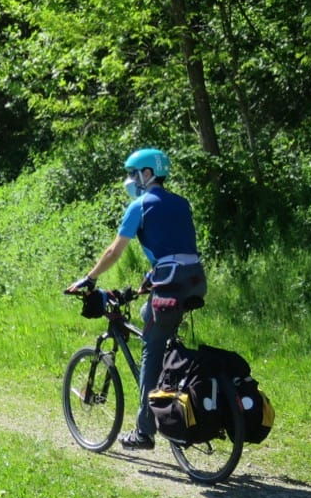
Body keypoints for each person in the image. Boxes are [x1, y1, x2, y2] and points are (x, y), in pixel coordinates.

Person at [65, 148, 206, 451]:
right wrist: (150, 277)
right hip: (194, 282)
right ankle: (172, 389)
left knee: (151, 351)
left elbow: (114, 251)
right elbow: (175, 247)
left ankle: (144, 433)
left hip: (170, 288)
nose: (129, 180)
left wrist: (89, 279)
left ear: (147, 174)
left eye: (133, 173)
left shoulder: (140, 206)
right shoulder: (182, 203)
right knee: (149, 314)